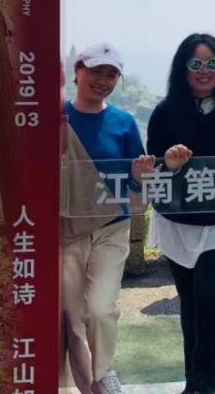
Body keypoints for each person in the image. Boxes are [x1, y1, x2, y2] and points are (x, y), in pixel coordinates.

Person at [146, 34, 215, 394]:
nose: (204, 70)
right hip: (177, 222)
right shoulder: (165, 112)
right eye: (195, 64)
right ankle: (194, 379)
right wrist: (168, 163)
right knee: (190, 301)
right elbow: (152, 169)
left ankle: (212, 377)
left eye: (212, 63)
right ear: (183, 69)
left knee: (209, 296)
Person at [61, 43, 153, 394]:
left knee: (100, 309)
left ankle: (103, 371)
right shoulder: (57, 118)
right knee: (73, 318)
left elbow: (137, 187)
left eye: (111, 74)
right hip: (67, 229)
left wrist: (140, 176)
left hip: (112, 228)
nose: (103, 80)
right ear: (77, 72)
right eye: (96, 71)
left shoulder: (124, 123)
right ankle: (93, 386)